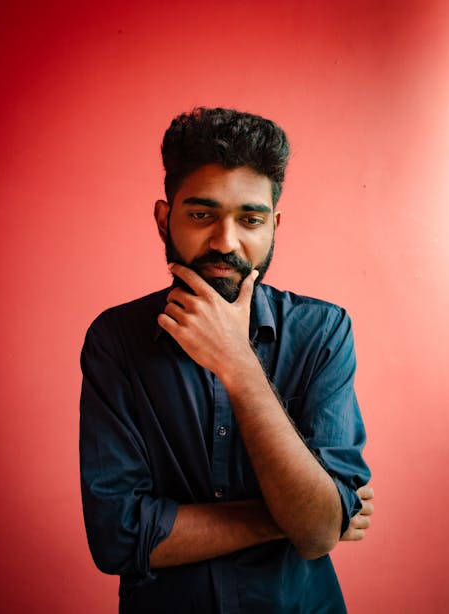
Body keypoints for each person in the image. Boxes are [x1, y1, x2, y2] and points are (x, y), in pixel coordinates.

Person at [80, 107, 373, 613]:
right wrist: (293, 515)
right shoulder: (117, 340)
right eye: (201, 214)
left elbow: (318, 533)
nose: (226, 242)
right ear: (163, 218)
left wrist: (238, 365)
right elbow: (119, 538)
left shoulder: (323, 332)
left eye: (250, 219)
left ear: (274, 226)